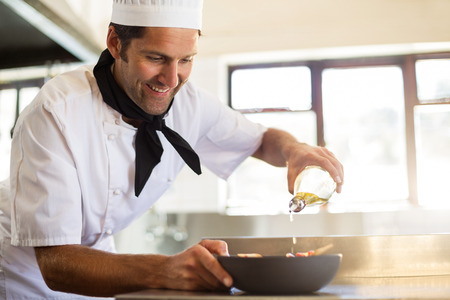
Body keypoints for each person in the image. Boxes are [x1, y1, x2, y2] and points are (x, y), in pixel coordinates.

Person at [0, 0, 343, 299]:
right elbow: (56, 265)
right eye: (156, 58)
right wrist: (167, 270)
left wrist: (294, 150)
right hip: (21, 275)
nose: (172, 79)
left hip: (99, 266)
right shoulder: (57, 111)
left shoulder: (188, 102)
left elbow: (262, 140)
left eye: (186, 60)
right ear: (115, 43)